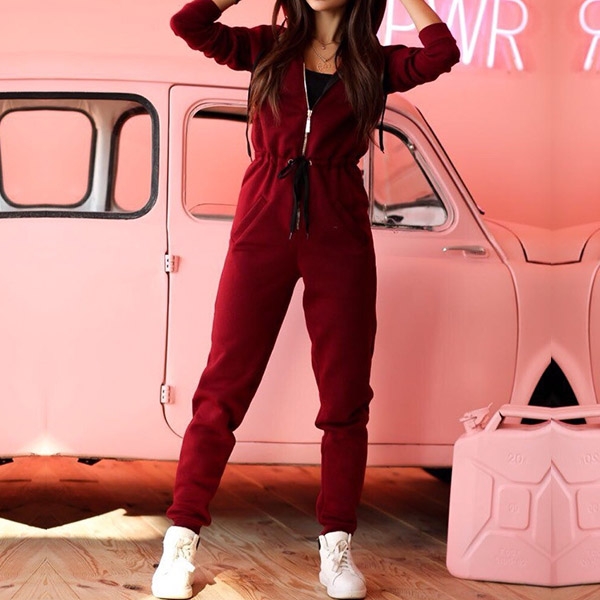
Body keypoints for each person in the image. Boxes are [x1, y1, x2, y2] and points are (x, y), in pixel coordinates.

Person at [152, 0, 459, 598]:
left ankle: (336, 546)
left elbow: (442, 53)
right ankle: (180, 539)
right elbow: (189, 24)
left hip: (340, 237)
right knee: (221, 389)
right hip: (261, 228)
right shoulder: (268, 47)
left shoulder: (375, 63)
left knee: (345, 398)